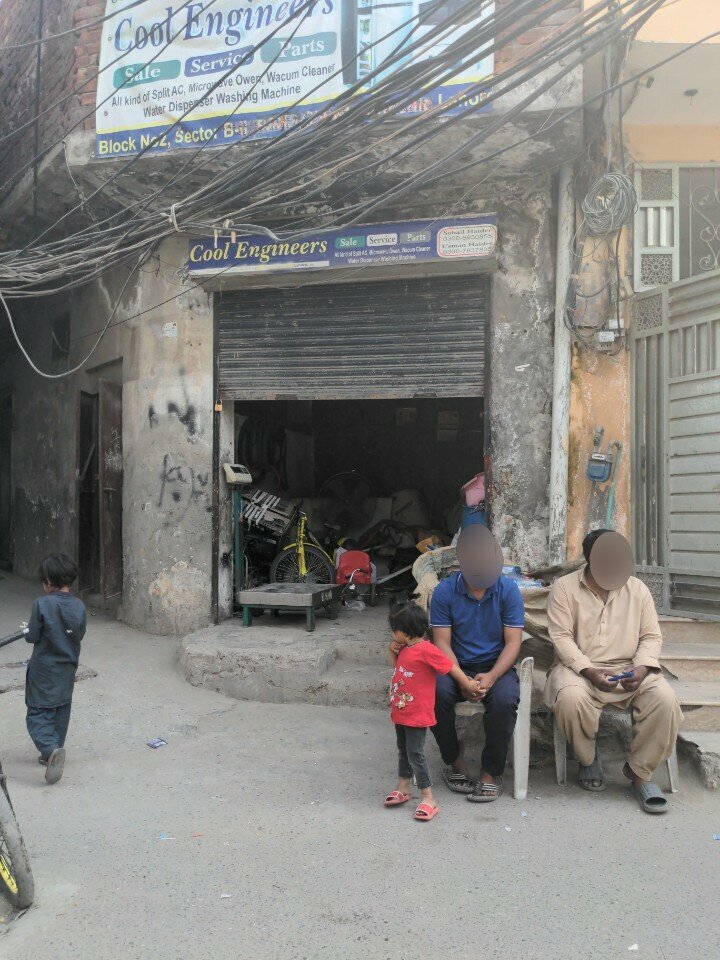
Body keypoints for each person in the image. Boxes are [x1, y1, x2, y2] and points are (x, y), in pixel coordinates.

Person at [545, 529, 682, 814]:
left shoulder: (638, 589)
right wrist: (589, 671)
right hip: (579, 669)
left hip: (630, 668)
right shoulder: (564, 588)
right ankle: (587, 758)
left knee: (665, 699)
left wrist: (642, 668)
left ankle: (639, 773)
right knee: (570, 698)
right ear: (590, 559)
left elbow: (651, 637)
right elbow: (561, 638)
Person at [429, 526, 525, 802]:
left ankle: (490, 772)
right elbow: (442, 643)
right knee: (435, 693)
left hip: (496, 666)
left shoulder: (508, 590)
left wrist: (492, 676)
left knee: (505, 699)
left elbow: (513, 643)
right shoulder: (444, 591)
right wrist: (462, 679)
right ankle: (455, 762)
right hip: (455, 666)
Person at [384, 602, 480, 822]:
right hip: (401, 710)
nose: (392, 633)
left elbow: (450, 667)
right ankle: (403, 786)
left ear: (405, 631)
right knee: (403, 750)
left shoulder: (427, 650)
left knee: (415, 753)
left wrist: (468, 684)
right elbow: (397, 668)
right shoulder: (405, 648)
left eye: (394, 629)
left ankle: (428, 797)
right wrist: (392, 651)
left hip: (417, 713)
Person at [25, 554, 86, 785]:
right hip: (67, 668)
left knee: (38, 711)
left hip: (43, 669)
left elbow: (32, 635)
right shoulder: (79, 606)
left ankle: (50, 749)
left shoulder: (41, 604)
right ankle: (54, 750)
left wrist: (29, 630)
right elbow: (79, 633)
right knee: (61, 708)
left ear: (49, 581)